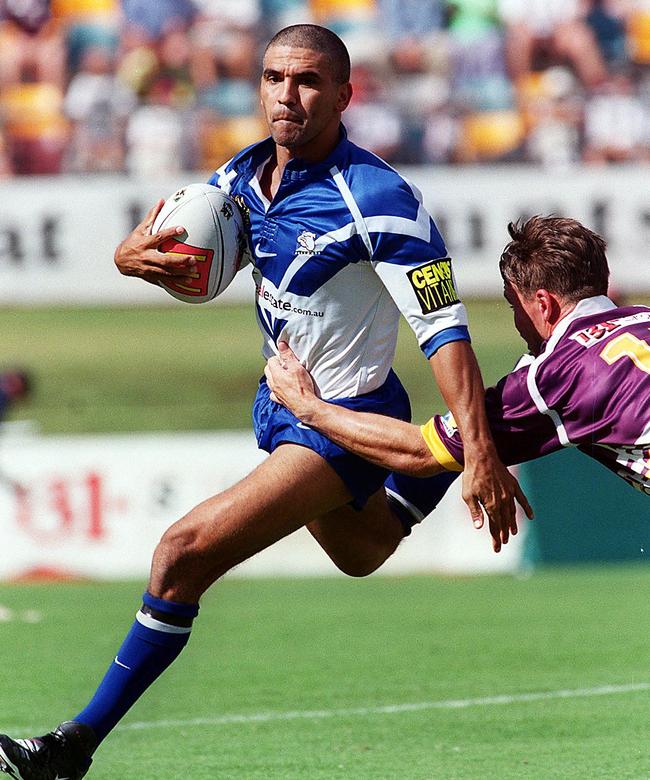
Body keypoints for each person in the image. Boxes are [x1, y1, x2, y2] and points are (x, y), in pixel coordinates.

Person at [0, 24, 529, 780]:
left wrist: (476, 453)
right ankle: (442, 453)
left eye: (309, 81)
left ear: (345, 96)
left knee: (182, 555)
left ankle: (70, 747)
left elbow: (445, 332)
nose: (289, 94)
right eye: (276, 77)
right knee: (361, 550)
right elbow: (173, 233)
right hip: (283, 404)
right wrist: (129, 255)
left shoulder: (378, 197)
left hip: (342, 422)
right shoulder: (245, 177)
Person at [264, 216, 650, 524]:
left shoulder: (554, 375)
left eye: (512, 305)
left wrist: (308, 407)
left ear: (543, 304)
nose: (516, 321)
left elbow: (419, 453)